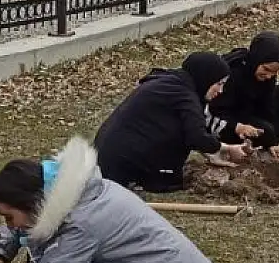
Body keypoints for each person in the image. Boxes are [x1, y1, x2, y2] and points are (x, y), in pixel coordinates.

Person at [0, 137, 217, 263]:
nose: (10, 225)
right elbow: (15, 225)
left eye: (8, 217)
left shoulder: (82, 221)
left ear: (31, 203)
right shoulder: (53, 187)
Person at [93, 52, 250, 193]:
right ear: (206, 77)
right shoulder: (185, 96)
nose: (220, 91)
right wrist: (226, 148)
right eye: (219, 84)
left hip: (105, 156)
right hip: (118, 166)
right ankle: (150, 178)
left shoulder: (170, 82)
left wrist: (211, 153)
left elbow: (192, 129)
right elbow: (196, 137)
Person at [205, 32, 279, 160]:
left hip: (248, 115)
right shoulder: (232, 73)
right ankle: (238, 148)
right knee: (267, 131)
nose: (269, 76)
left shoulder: (268, 78)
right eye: (266, 69)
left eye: (274, 72)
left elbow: (267, 106)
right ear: (256, 59)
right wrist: (237, 126)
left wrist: (271, 142)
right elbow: (215, 112)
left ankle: (270, 146)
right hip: (226, 124)